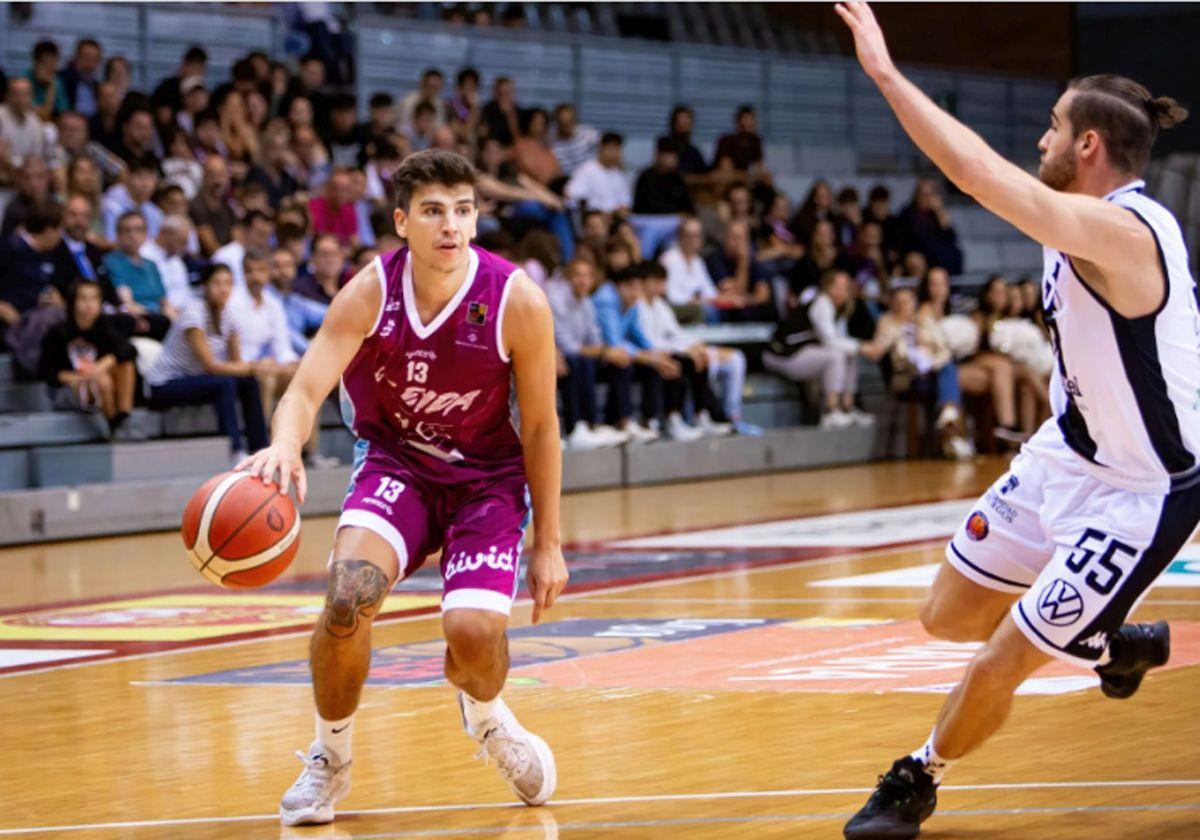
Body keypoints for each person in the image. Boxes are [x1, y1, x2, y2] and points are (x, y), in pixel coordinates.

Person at [836, 6, 1197, 838]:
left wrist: (888, 74)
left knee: (1004, 657)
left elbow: (976, 174)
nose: (1040, 140)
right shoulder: (1076, 214)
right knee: (947, 616)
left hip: (1140, 495)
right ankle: (1111, 644)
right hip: (1066, 455)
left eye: (1052, 127)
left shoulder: (1118, 229)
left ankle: (917, 777)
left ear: (1089, 148)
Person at [236, 150, 567, 825]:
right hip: (398, 466)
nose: (452, 225)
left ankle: (487, 714)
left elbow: (539, 426)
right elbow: (304, 389)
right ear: (401, 222)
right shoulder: (370, 292)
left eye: (464, 209)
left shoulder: (517, 299)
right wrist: (282, 443)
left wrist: (551, 544)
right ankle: (330, 758)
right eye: (434, 211)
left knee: (474, 636)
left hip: (486, 482)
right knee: (346, 597)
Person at [146, 263, 269, 462]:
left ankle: (260, 449)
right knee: (224, 383)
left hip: (196, 379)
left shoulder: (228, 315)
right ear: (204, 286)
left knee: (249, 382)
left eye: (228, 283)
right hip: (166, 384)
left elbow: (237, 365)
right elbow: (210, 365)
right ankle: (234, 450)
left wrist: (255, 368)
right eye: (217, 283)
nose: (223, 289)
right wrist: (254, 366)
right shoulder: (193, 313)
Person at [763, 268, 881, 429]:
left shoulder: (840, 308)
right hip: (781, 354)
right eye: (843, 286)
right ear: (830, 288)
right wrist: (862, 346)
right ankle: (830, 411)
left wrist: (858, 347)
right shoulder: (821, 303)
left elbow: (842, 341)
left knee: (848, 354)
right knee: (836, 356)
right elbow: (830, 341)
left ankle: (847, 406)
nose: (848, 290)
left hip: (801, 352)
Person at [871, 280, 974, 459]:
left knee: (947, 367)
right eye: (899, 302)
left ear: (914, 303)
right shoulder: (887, 322)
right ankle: (952, 428)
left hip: (931, 370)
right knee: (950, 377)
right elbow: (881, 350)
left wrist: (932, 361)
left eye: (907, 301)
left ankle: (949, 422)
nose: (903, 306)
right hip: (908, 375)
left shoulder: (924, 321)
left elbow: (942, 348)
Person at [547, 259, 633, 449]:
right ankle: (576, 427)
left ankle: (616, 422)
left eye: (587, 276)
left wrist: (608, 352)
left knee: (619, 361)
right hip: (554, 357)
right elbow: (566, 344)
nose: (583, 281)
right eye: (578, 275)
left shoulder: (586, 302)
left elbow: (594, 338)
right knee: (579, 362)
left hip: (577, 356)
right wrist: (603, 351)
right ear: (568, 279)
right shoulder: (557, 300)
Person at [39, 278, 141, 439]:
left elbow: (129, 350)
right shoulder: (57, 333)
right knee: (102, 380)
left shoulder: (104, 327)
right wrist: (69, 377)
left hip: (97, 381)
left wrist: (103, 364)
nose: (89, 304)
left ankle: (123, 417)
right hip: (68, 388)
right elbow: (43, 370)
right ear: (72, 302)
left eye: (94, 298)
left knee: (123, 365)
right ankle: (114, 425)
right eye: (83, 298)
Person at [103, 211, 176, 320]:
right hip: (138, 319)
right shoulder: (112, 261)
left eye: (138, 230)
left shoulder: (151, 265)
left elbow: (164, 301)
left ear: (146, 234)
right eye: (127, 230)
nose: (133, 235)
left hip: (160, 319)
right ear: (118, 235)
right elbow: (127, 302)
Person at [564, 132, 630, 215]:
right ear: (601, 148)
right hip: (593, 217)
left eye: (618, 149)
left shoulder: (619, 175)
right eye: (612, 149)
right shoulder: (587, 169)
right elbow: (571, 196)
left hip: (614, 219)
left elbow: (625, 204)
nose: (616, 154)